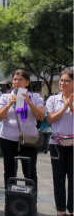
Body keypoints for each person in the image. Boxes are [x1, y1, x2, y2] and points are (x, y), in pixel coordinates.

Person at [0, 70, 44, 190]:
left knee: (30, 171)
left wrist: (29, 102)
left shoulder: (35, 97)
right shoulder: (5, 97)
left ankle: (31, 202)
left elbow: (41, 117)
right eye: (15, 79)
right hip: (8, 139)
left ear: (27, 82)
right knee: (9, 170)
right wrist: (8, 104)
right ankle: (11, 201)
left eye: (21, 79)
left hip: (29, 140)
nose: (17, 82)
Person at [45, 69, 73, 216]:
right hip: (57, 144)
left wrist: (71, 106)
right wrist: (64, 107)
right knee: (58, 177)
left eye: (67, 80)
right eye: (61, 80)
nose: (63, 83)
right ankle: (60, 209)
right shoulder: (52, 99)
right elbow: (50, 119)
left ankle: (72, 208)